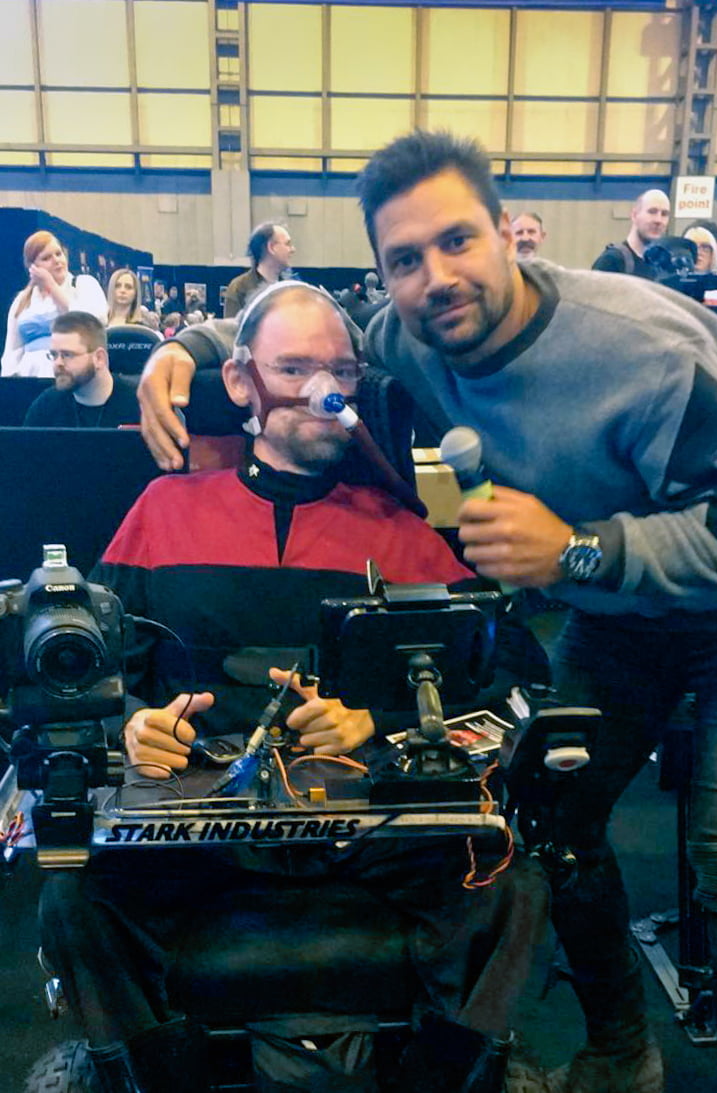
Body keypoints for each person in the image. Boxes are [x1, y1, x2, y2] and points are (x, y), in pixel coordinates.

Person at [135, 130, 717, 1093]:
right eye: (405, 259)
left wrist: (584, 549)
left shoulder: (648, 348)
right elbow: (298, 340)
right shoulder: (410, 330)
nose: (435, 276)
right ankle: (622, 1046)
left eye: (458, 241)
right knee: (552, 821)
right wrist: (178, 349)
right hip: (614, 622)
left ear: (511, 235)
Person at [39, 280, 549, 1093]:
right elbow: (80, 673)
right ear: (241, 382)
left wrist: (375, 724)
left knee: (509, 886)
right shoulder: (162, 510)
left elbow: (510, 677)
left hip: (368, 828)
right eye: (297, 368)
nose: (326, 390)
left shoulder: (403, 532)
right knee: (71, 903)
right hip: (196, 827)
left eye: (341, 370)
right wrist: (130, 726)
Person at [2, 231, 108, 377]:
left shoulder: (83, 284)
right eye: (46, 258)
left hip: (70, 371)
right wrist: (8, 378)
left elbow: (95, 321)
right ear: (32, 266)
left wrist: (52, 287)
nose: (56, 260)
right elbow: (12, 348)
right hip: (29, 373)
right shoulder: (23, 299)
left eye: (59, 254)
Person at [23, 311, 139, 428]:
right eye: (54, 355)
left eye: (67, 355)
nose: (58, 363)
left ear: (99, 358)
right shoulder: (45, 407)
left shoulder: (140, 405)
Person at [591, 188, 671, 279]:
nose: (658, 220)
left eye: (664, 214)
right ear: (634, 215)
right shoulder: (612, 262)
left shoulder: (664, 267)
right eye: (652, 212)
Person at [223, 222, 296, 319]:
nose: (292, 249)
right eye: (288, 244)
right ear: (272, 247)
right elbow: (230, 331)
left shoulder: (290, 288)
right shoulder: (239, 288)